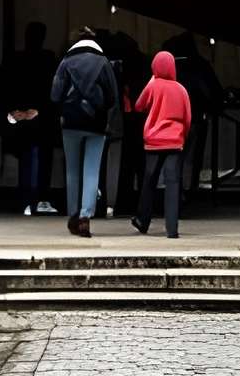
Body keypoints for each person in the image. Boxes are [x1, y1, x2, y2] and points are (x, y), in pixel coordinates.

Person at [48, 31, 119, 236]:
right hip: (96, 124)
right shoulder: (103, 62)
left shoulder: (66, 62)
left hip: (70, 122)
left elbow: (54, 95)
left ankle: (72, 214)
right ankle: (85, 217)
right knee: (91, 170)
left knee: (72, 170)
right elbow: (112, 96)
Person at [125, 47, 193, 237]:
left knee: (149, 181)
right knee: (173, 182)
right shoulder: (181, 89)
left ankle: (142, 221)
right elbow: (187, 118)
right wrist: (182, 137)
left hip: (154, 141)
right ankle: (172, 229)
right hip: (175, 142)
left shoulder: (153, 85)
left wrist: (151, 82)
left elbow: (138, 106)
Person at [6, 22, 57, 215]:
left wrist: (17, 110)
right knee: (41, 158)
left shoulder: (17, 58)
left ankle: (28, 200)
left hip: (24, 112)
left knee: (28, 158)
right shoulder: (47, 58)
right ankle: (38, 199)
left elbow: (10, 85)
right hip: (38, 113)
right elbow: (51, 88)